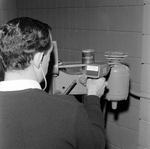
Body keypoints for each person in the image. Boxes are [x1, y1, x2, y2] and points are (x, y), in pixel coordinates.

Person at [0, 17, 107, 149]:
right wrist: (93, 96)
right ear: (39, 58)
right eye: (50, 54)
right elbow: (96, 144)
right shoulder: (69, 110)